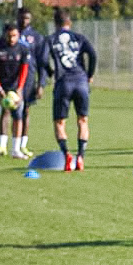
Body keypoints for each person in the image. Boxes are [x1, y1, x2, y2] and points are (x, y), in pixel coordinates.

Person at [45, 9, 96, 171]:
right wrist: (89, 74)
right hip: (81, 81)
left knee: (60, 123)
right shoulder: (79, 38)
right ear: (70, 23)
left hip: (63, 83)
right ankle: (80, 155)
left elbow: (42, 59)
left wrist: (51, 72)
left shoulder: (50, 39)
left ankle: (67, 153)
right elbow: (93, 54)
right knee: (83, 120)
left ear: (55, 23)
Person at [0, 23, 30, 162]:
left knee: (18, 117)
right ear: (4, 34)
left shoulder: (22, 49)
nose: (12, 39)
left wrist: (20, 89)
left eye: (15, 36)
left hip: (15, 88)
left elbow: (24, 69)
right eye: (9, 36)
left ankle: (16, 149)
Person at [14, 7, 48, 158]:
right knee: (8, 109)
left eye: (27, 18)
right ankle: (2, 145)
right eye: (22, 17)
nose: (24, 20)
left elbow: (42, 62)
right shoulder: (11, 33)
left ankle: (23, 145)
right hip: (11, 78)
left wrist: (41, 84)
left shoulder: (36, 37)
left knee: (26, 110)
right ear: (17, 17)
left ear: (31, 19)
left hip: (29, 79)